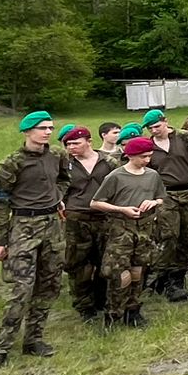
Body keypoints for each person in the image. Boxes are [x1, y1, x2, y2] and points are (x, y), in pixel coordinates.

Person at [0, 113, 72, 369]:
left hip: (52, 225)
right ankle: (1, 348)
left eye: (50, 128)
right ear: (27, 131)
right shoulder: (11, 163)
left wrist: (58, 196)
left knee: (50, 283)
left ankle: (34, 338)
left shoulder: (57, 155)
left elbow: (65, 179)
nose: (47, 132)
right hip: (23, 226)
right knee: (22, 288)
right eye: (41, 128)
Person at [90, 135, 167, 326]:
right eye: (143, 157)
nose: (147, 160)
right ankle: (113, 313)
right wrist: (121, 209)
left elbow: (161, 197)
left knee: (138, 271)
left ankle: (133, 310)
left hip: (145, 229)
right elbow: (96, 202)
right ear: (131, 155)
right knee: (119, 273)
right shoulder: (116, 176)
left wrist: (154, 202)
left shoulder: (152, 175)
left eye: (149, 156)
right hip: (121, 230)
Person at [59, 122, 115, 318]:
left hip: (105, 217)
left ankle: (102, 298)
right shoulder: (65, 164)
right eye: (68, 144)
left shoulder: (108, 161)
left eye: (76, 143)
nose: (71, 148)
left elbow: (121, 183)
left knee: (105, 261)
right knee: (78, 263)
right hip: (76, 216)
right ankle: (84, 305)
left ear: (89, 141)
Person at [148, 111, 188, 304]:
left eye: (157, 126)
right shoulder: (149, 146)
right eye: (151, 128)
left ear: (165, 122)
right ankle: (165, 278)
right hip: (165, 195)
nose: (155, 131)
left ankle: (177, 278)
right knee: (169, 235)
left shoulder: (185, 138)